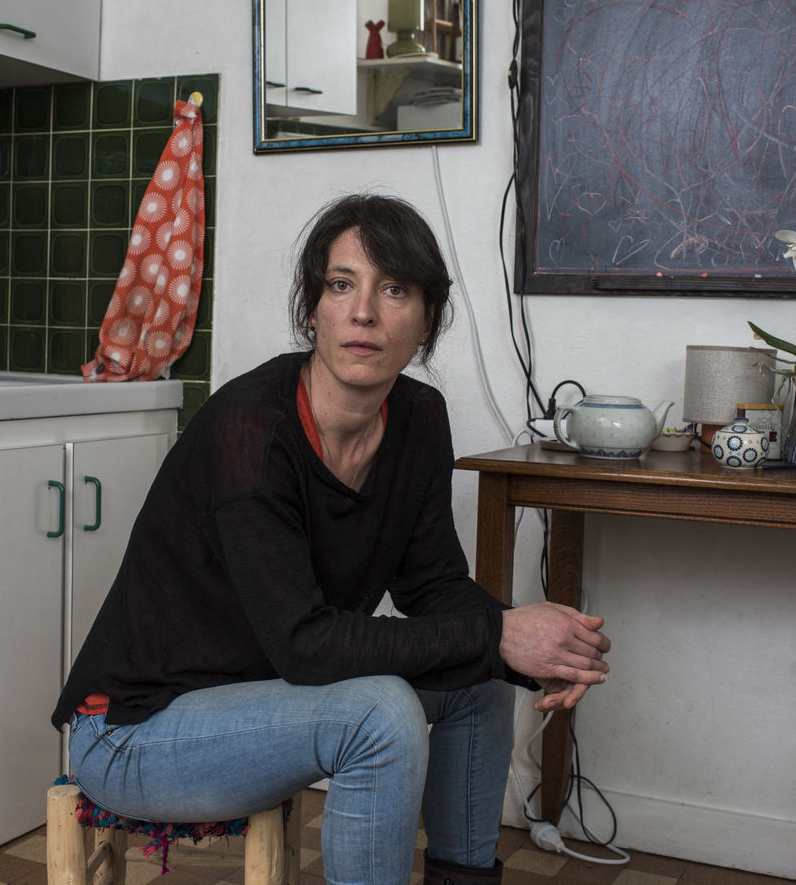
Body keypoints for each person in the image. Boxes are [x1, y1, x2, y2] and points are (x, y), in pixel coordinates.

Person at [52, 194, 611, 885]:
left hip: (266, 697)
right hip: (137, 730)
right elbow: (305, 644)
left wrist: (533, 646)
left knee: (478, 680)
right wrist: (498, 633)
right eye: (341, 284)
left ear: (427, 318)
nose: (364, 312)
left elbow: (432, 584)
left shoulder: (418, 418)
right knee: (382, 711)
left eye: (394, 289)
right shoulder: (250, 434)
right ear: (312, 308)